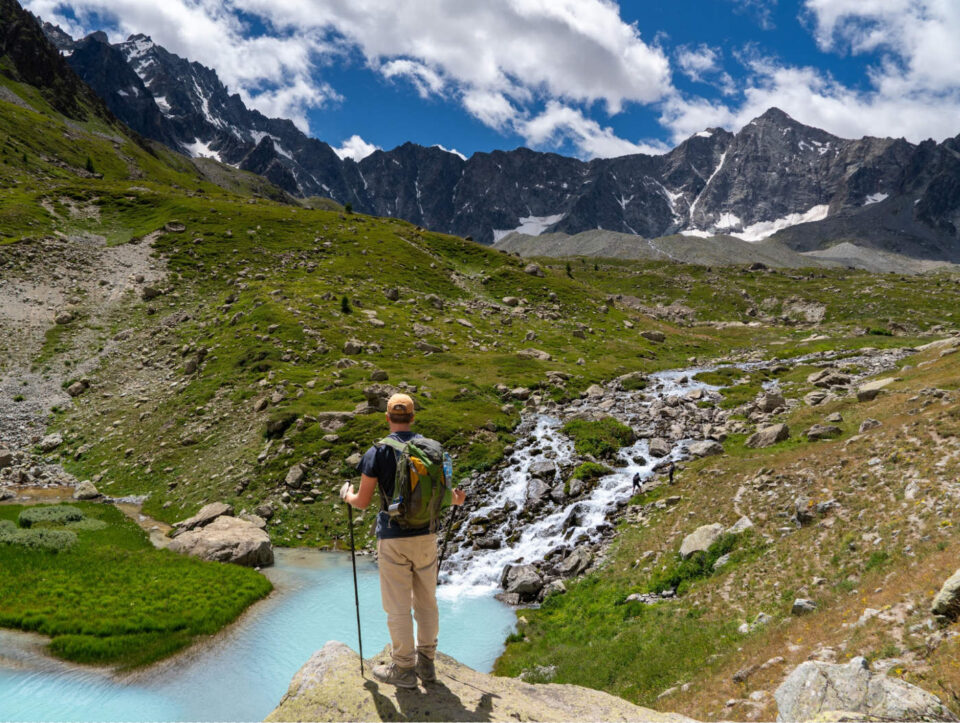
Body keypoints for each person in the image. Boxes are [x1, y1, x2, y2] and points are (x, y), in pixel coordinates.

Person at [340, 393, 465, 688]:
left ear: (387, 417)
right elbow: (447, 496)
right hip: (427, 535)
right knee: (427, 602)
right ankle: (428, 664)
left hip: (394, 539)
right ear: (413, 417)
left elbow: (362, 501)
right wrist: (458, 500)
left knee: (397, 606)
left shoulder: (378, 452)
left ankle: (404, 669)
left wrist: (346, 495)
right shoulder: (432, 450)